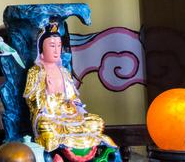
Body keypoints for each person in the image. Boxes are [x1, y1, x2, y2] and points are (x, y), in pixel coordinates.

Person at [23, 23, 116, 162]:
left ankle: (79, 144)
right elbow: (31, 101)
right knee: (46, 126)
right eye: (52, 46)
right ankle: (58, 151)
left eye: (59, 46)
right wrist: (47, 94)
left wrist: (74, 105)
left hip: (69, 115)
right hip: (50, 116)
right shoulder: (36, 72)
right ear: (41, 50)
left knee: (96, 122)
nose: (56, 50)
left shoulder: (64, 71)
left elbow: (74, 99)